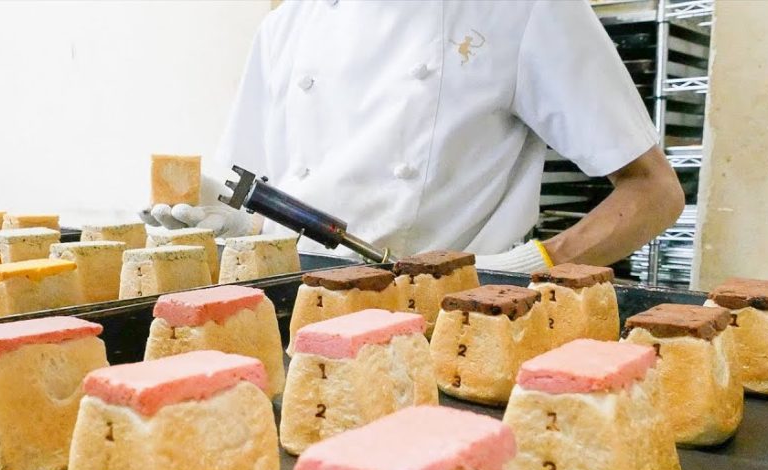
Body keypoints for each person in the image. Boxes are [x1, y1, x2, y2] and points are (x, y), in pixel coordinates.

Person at [144, 0, 685, 273]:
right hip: (299, 317)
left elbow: (654, 192)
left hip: (446, 327)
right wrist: (241, 228)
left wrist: (521, 269)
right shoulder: (286, 26)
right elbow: (266, 193)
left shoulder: (521, 10)